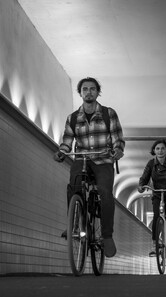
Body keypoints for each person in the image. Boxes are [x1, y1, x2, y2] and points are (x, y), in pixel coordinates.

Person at [54, 77, 125, 258]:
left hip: (103, 160)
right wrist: (62, 152)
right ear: (80, 93)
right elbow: (67, 141)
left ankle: (107, 236)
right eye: (85, 89)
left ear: (97, 92)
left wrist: (117, 150)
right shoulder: (72, 118)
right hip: (82, 159)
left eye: (92, 89)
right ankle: (75, 224)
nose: (88, 92)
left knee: (105, 192)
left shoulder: (109, 114)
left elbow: (118, 139)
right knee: (74, 187)